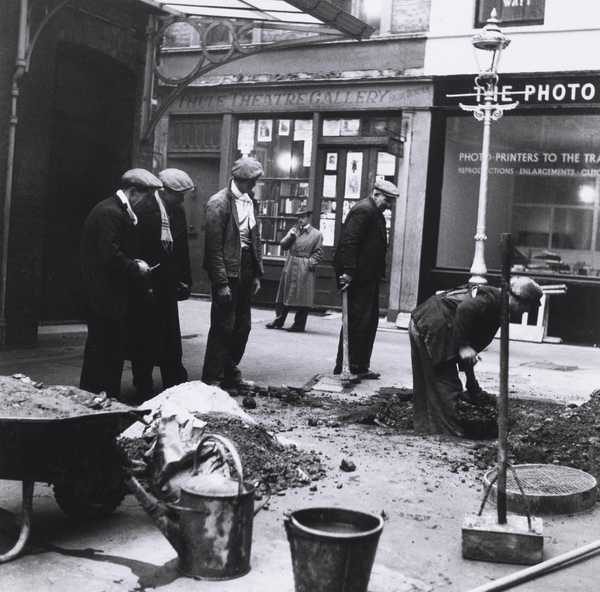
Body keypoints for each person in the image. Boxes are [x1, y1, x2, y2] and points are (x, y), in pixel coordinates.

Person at [409, 276, 543, 437]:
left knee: (427, 384)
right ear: (520, 301)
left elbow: (467, 352)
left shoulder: (497, 306)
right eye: (527, 308)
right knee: (447, 387)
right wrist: (465, 346)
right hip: (434, 327)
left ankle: (425, 431)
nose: (525, 313)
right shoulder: (492, 301)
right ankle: (448, 438)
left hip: (423, 321)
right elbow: (465, 310)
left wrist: (472, 385)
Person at [79, 168, 162, 399]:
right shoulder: (111, 213)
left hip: (107, 295)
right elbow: (110, 254)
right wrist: (136, 267)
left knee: (106, 351)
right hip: (104, 296)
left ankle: (99, 399)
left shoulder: (115, 210)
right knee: (106, 352)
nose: (146, 204)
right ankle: (99, 402)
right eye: (146, 197)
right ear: (133, 192)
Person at [124, 168, 195, 403]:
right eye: (179, 195)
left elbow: (182, 248)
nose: (182, 200)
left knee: (170, 339)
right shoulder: (143, 209)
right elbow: (133, 247)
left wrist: (185, 279)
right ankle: (143, 386)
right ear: (165, 192)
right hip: (146, 285)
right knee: (144, 338)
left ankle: (175, 385)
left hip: (167, 284)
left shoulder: (177, 211)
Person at [202, 157, 264, 388]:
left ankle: (229, 372)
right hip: (227, 271)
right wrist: (220, 282)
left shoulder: (250, 201)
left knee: (242, 326)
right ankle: (211, 377)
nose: (254, 186)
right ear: (242, 179)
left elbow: (255, 239)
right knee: (222, 326)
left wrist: (257, 273)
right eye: (252, 181)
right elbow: (213, 248)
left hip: (246, 268)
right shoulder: (218, 203)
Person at [333, 179, 399, 379]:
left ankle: (359, 365)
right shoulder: (364, 210)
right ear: (376, 193)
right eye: (387, 199)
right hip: (358, 277)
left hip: (368, 277)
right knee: (357, 321)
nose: (389, 204)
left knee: (367, 322)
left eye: (391, 201)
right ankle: (347, 365)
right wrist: (348, 271)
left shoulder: (374, 212)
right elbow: (349, 241)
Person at [266, 207, 323, 332]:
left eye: (303, 217)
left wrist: (310, 263)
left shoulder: (316, 234)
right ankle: (279, 320)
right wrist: (291, 237)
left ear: (308, 217)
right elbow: (283, 245)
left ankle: (299, 324)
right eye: (298, 217)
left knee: (303, 296)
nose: (300, 220)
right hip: (291, 264)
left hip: (304, 266)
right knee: (285, 293)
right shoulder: (294, 230)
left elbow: (318, 252)